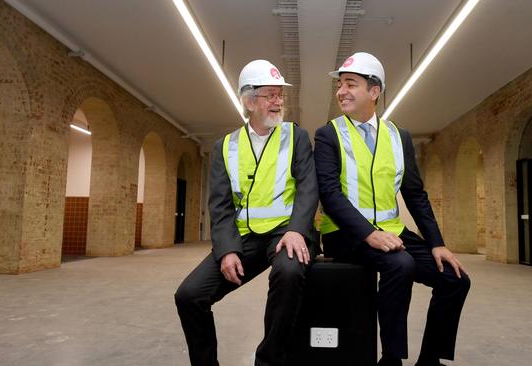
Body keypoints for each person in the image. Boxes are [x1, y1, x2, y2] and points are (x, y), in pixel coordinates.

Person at [314, 52, 470, 366]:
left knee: (455, 279)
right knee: (400, 265)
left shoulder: (399, 137)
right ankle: (392, 358)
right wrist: (369, 234)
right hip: (345, 235)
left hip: (393, 232)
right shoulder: (329, 134)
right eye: (340, 84)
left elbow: (415, 194)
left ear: (374, 92)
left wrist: (437, 243)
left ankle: (430, 359)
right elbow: (330, 195)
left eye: (351, 84)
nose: (341, 91)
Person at [175, 59, 318, 366]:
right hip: (245, 237)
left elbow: (308, 189)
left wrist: (297, 230)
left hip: (286, 233)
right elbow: (221, 206)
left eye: (280, 94)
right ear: (250, 101)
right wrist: (227, 251)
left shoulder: (296, 137)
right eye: (270, 95)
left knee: (290, 272)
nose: (278, 101)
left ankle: (268, 360)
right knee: (189, 296)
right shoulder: (225, 147)